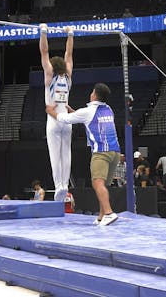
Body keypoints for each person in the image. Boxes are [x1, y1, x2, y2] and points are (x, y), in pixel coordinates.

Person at [46, 83, 120, 226]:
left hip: (101, 153)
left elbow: (64, 119)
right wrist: (75, 113)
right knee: (103, 186)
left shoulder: (88, 111)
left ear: (94, 95)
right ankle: (101, 216)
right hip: (115, 152)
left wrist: (51, 112)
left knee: (97, 183)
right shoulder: (108, 109)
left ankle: (109, 213)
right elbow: (88, 120)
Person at [39, 23, 74, 202]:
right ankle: (65, 185)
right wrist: (70, 35)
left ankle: (59, 187)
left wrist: (43, 32)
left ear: (52, 66)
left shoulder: (49, 75)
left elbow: (44, 52)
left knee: (55, 156)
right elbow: (69, 54)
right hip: (66, 118)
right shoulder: (68, 76)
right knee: (66, 154)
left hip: (53, 119)